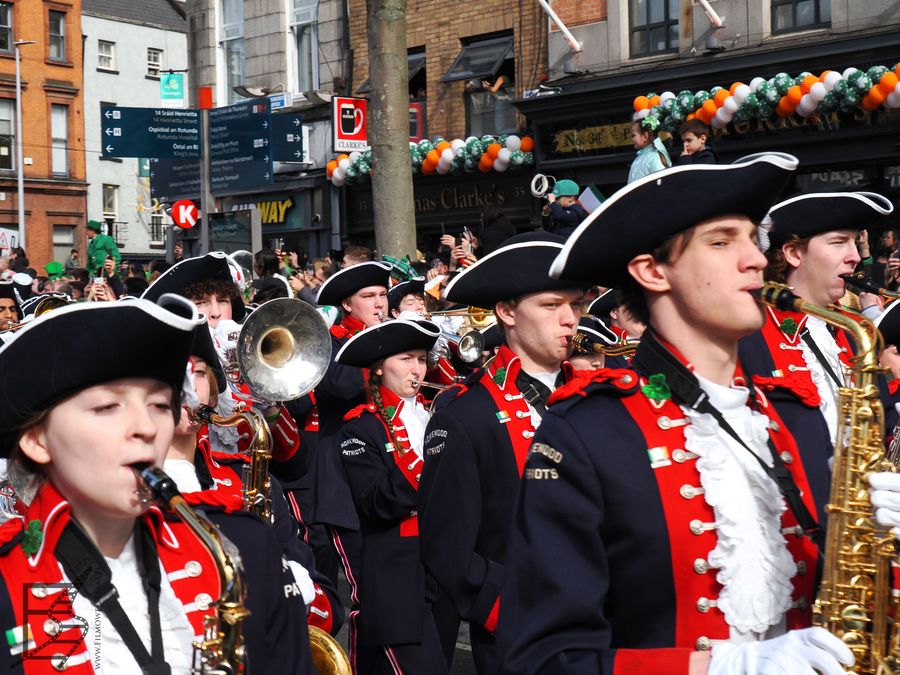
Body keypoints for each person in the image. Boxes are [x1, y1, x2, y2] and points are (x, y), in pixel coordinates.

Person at [498, 154, 861, 674]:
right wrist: (721, 668)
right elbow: (542, 659)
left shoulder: (796, 415)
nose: (756, 260)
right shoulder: (589, 431)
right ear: (651, 271)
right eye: (721, 241)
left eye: (752, 239)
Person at [0, 297, 312, 673]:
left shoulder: (245, 546)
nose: (148, 429)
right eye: (107, 407)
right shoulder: (7, 580)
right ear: (36, 440)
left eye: (160, 405)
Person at [419, 232, 585, 673]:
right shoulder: (464, 414)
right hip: (525, 640)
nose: (570, 319)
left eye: (576, 304)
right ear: (507, 312)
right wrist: (511, 608)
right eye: (551, 305)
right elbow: (448, 548)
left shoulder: (598, 398)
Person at [739, 192, 894, 463]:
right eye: (838, 243)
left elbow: (886, 422)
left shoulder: (858, 331)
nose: (855, 257)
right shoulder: (748, 332)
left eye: (855, 243)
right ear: (794, 253)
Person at [334, 317, 450, 673]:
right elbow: (375, 501)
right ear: (380, 369)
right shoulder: (360, 427)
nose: (416, 369)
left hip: (442, 566)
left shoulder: (433, 415)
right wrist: (430, 455)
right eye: (405, 359)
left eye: (420, 359)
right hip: (397, 574)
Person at [628, 116, 671, 183]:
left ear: (645, 136)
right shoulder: (641, 156)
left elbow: (663, 184)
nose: (632, 139)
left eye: (634, 135)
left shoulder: (656, 158)